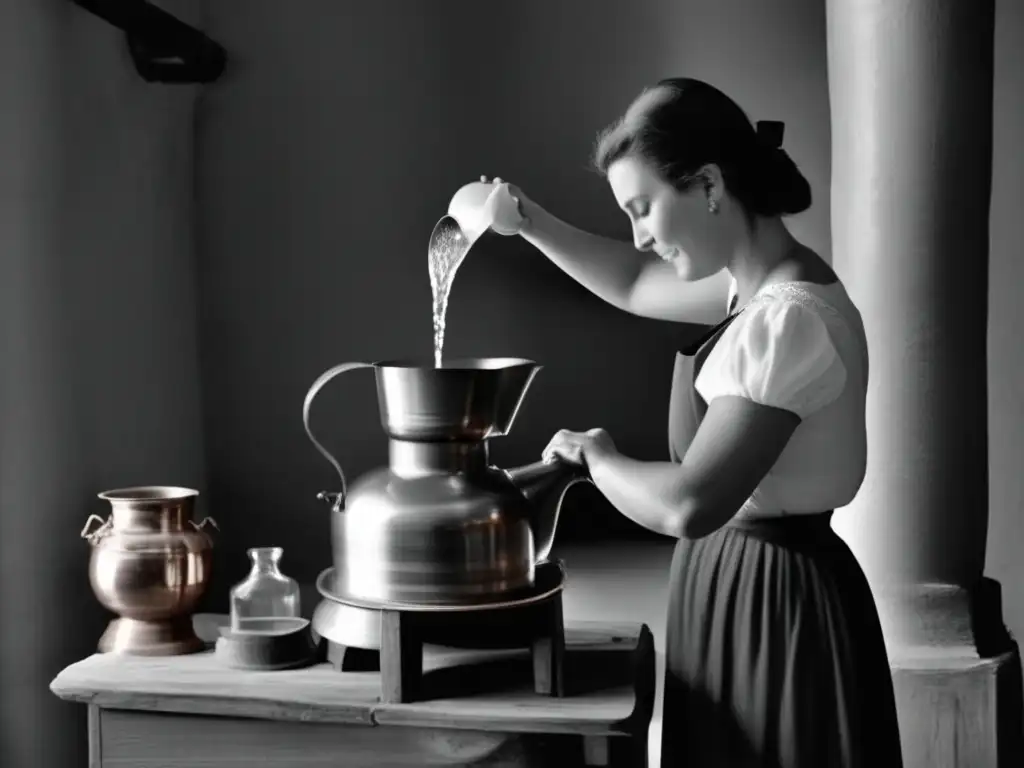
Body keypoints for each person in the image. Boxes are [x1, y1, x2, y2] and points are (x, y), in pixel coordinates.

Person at [467, 77, 904, 767]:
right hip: (739, 590)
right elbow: (633, 284)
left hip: (777, 609)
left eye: (643, 209)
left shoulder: (788, 320)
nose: (638, 235)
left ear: (707, 185)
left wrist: (600, 459)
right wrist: (528, 221)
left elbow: (691, 503)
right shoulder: (751, 287)